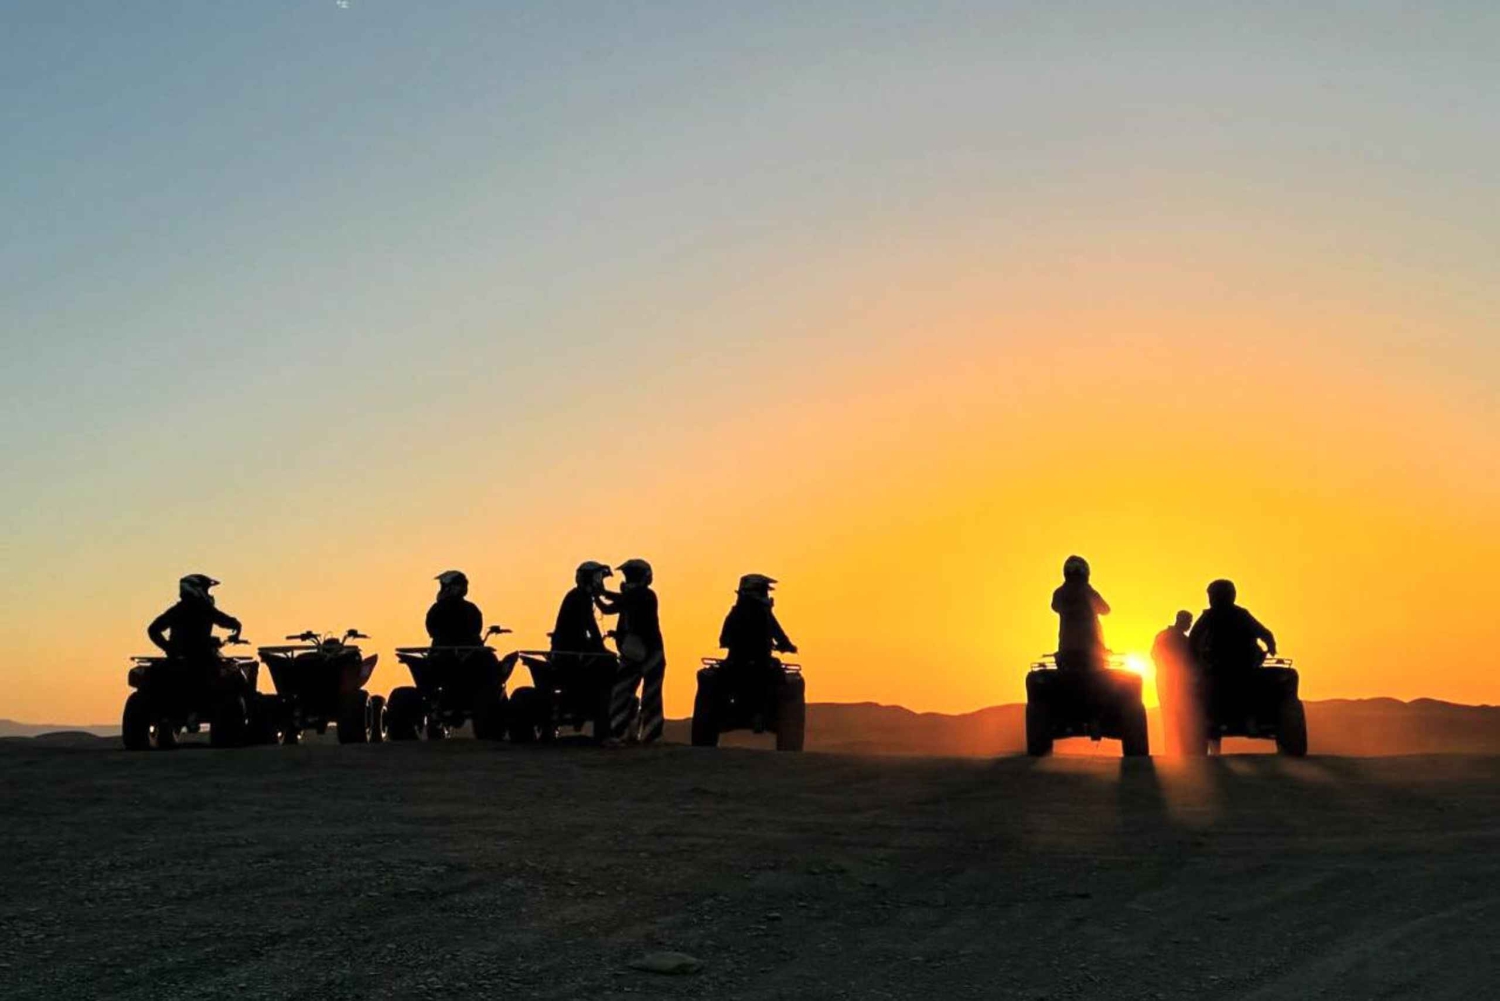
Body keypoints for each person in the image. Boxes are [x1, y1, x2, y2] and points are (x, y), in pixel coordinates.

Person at [1190, 580, 1277, 746]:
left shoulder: (1211, 616)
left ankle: (1220, 720)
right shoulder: (1238, 614)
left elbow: (1193, 639)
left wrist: (1195, 658)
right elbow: (1265, 633)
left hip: (1228, 666)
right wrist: (1271, 646)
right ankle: (1245, 719)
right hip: (1234, 666)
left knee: (1205, 688)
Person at [595, 558, 666, 744]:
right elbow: (617, 604)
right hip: (649, 652)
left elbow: (612, 606)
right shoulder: (642, 595)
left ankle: (625, 733)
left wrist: (600, 594)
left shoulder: (642, 596)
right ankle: (645, 735)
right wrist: (602, 595)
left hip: (643, 653)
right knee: (647, 695)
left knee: (626, 693)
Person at [719, 574, 797, 728]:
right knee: (781, 681)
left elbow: (724, 638)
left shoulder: (735, 613)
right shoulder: (764, 614)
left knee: (718, 679)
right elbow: (779, 634)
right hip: (759, 661)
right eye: (764, 591)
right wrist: (788, 646)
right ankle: (769, 715)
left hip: (735, 660)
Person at [148, 573, 243, 659]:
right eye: (206, 589)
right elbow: (224, 620)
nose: (208, 594)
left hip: (178, 659)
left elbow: (153, 629)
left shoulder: (176, 610)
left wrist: (168, 648)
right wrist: (237, 625)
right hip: (202, 659)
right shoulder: (204, 608)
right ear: (197, 589)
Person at [1152, 610, 1200, 755]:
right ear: (1181, 620)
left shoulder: (1163, 636)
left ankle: (1173, 750)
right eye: (1188, 622)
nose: (1189, 625)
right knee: (1179, 715)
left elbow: (1154, 655)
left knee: (1170, 716)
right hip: (1174, 682)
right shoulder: (1184, 641)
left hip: (1166, 680)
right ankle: (1179, 751)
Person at [1051, 556, 1110, 671]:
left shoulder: (1059, 593)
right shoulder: (1089, 592)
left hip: (1066, 649)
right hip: (1092, 650)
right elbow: (1106, 610)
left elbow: (1054, 606)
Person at [425, 570, 484, 646]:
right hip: (470, 648)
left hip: (443, 649)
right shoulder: (472, 609)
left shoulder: (437, 609)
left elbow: (432, 629)